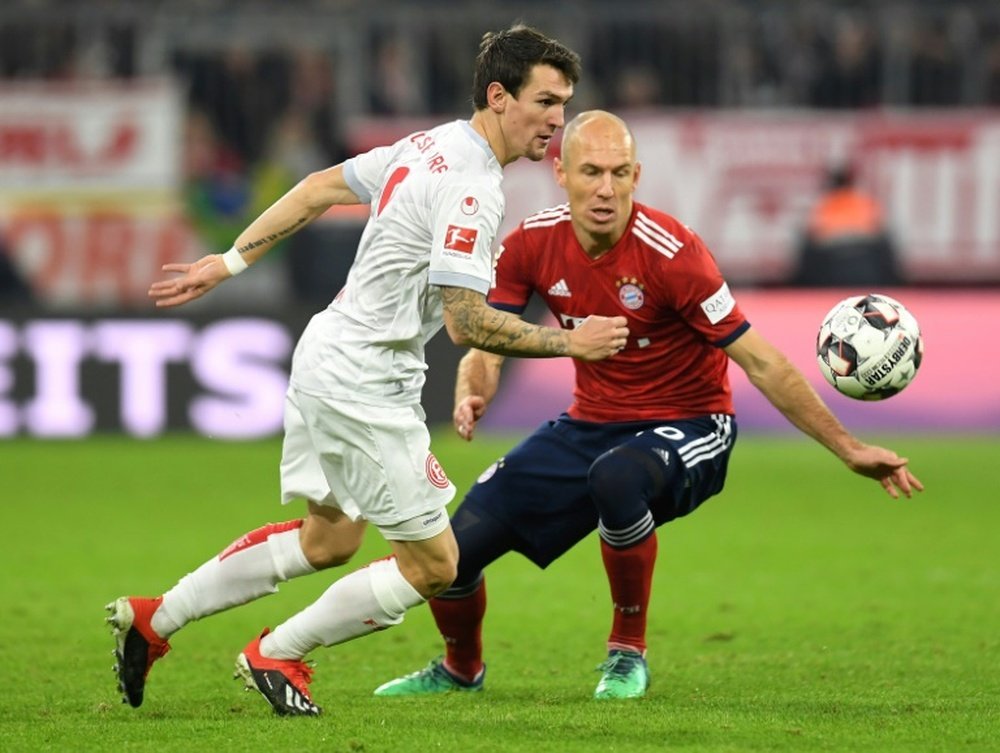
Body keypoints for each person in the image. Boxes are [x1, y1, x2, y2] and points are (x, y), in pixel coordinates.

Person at [105, 26, 631, 717]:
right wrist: (573, 344)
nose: (559, 119)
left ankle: (155, 619)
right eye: (546, 100)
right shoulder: (472, 187)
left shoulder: (430, 144)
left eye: (565, 102)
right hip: (363, 380)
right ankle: (277, 652)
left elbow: (320, 186)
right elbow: (466, 322)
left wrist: (231, 260)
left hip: (329, 350)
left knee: (329, 539)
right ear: (499, 97)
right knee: (436, 564)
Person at [372, 111, 923, 701]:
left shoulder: (674, 253)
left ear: (637, 175)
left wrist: (848, 448)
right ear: (560, 172)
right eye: (590, 172)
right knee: (451, 552)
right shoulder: (532, 242)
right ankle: (461, 670)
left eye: (618, 174)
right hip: (589, 424)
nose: (605, 189)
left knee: (615, 478)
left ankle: (626, 654)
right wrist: (475, 383)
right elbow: (491, 334)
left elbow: (761, 361)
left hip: (691, 425)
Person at [791, 163, 901, 287]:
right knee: (886, 238)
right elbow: (878, 228)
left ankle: (804, 285)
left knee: (806, 242)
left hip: (835, 253)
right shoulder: (863, 200)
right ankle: (893, 283)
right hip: (861, 252)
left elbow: (814, 232)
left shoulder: (824, 203)